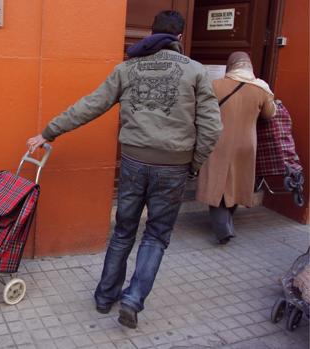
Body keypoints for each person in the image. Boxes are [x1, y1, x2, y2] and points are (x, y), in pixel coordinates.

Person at [26, 10, 222, 329]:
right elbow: (212, 128)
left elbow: (91, 104)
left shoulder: (127, 68)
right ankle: (132, 300)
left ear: (151, 32)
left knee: (123, 231)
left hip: (133, 162)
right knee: (156, 236)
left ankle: (105, 297)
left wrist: (49, 131)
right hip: (173, 166)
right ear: (180, 38)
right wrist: (193, 164)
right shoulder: (197, 72)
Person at [196, 51, 276, 245]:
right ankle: (226, 222)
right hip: (246, 144)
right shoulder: (260, 88)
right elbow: (269, 114)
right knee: (237, 183)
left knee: (215, 183)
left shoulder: (215, 85)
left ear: (230, 65)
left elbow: (201, 110)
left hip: (218, 141)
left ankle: (223, 227)